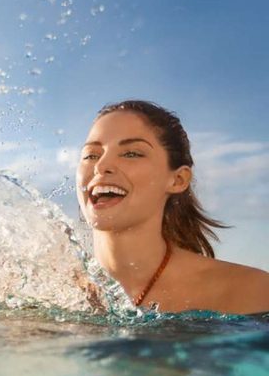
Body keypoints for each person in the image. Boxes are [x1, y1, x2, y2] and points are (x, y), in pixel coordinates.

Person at [76, 100, 268, 314]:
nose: (101, 166)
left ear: (178, 180)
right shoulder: (45, 292)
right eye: (91, 155)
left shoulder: (251, 292)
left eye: (131, 153)